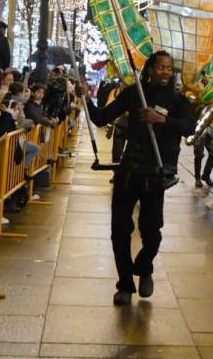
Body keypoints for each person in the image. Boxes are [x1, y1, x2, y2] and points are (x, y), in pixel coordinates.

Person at [81, 52, 195, 306]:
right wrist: (85, 98)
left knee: (151, 232)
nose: (165, 72)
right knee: (119, 230)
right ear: (151, 69)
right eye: (160, 67)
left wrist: (161, 119)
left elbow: (190, 127)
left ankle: (144, 267)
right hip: (129, 170)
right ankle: (124, 285)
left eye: (169, 68)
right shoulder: (135, 93)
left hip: (157, 173)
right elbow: (101, 118)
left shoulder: (177, 100)